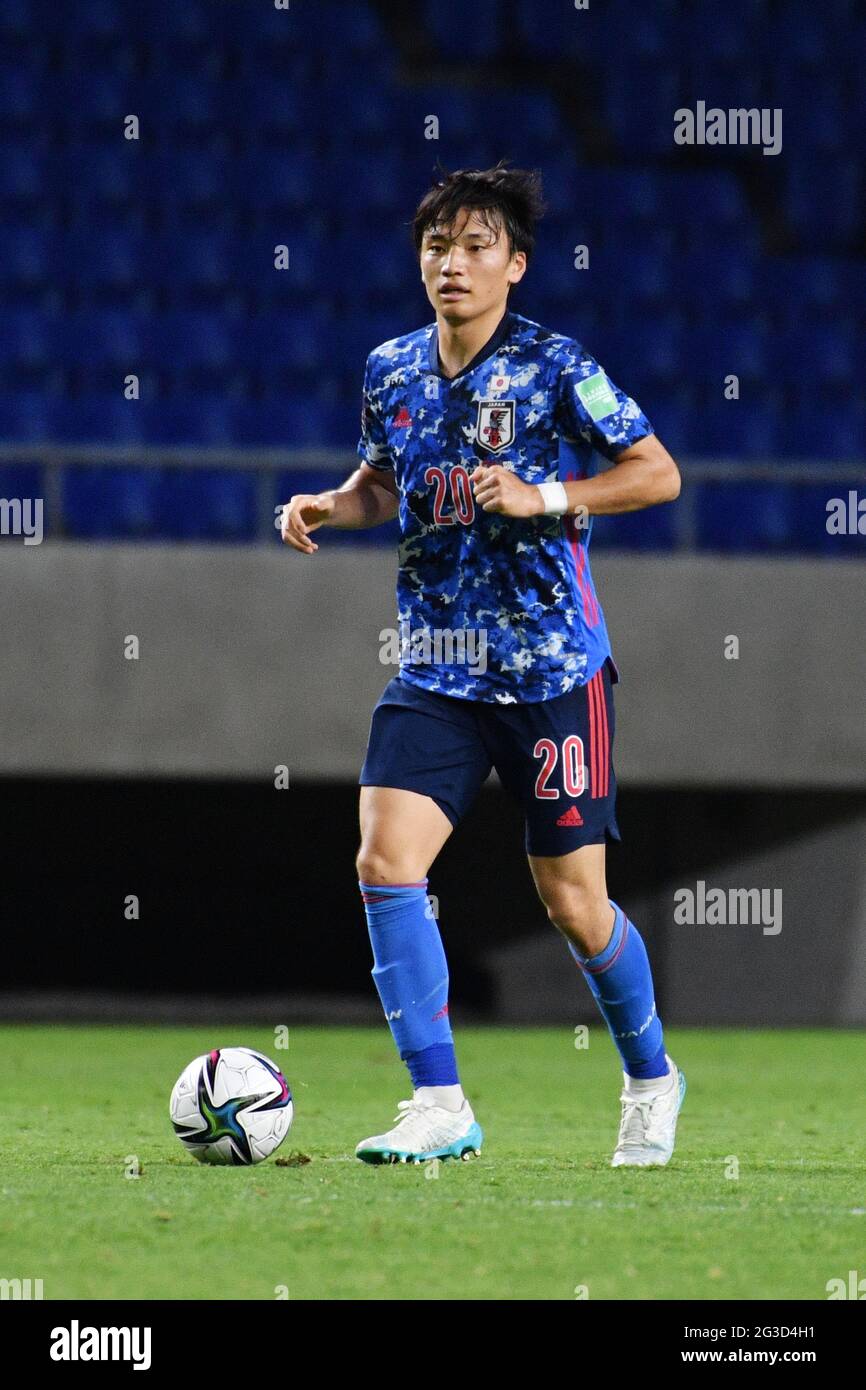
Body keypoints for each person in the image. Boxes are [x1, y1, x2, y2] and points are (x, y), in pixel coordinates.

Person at [281, 162, 685, 1168]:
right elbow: (385, 481)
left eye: (472, 247)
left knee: (573, 904)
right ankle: (438, 1102)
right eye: (435, 246)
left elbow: (656, 473)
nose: (450, 264)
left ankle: (648, 1076)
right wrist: (336, 504)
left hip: (552, 672)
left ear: (514, 263)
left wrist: (545, 496)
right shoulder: (388, 368)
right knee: (385, 860)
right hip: (435, 667)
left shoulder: (554, 366)